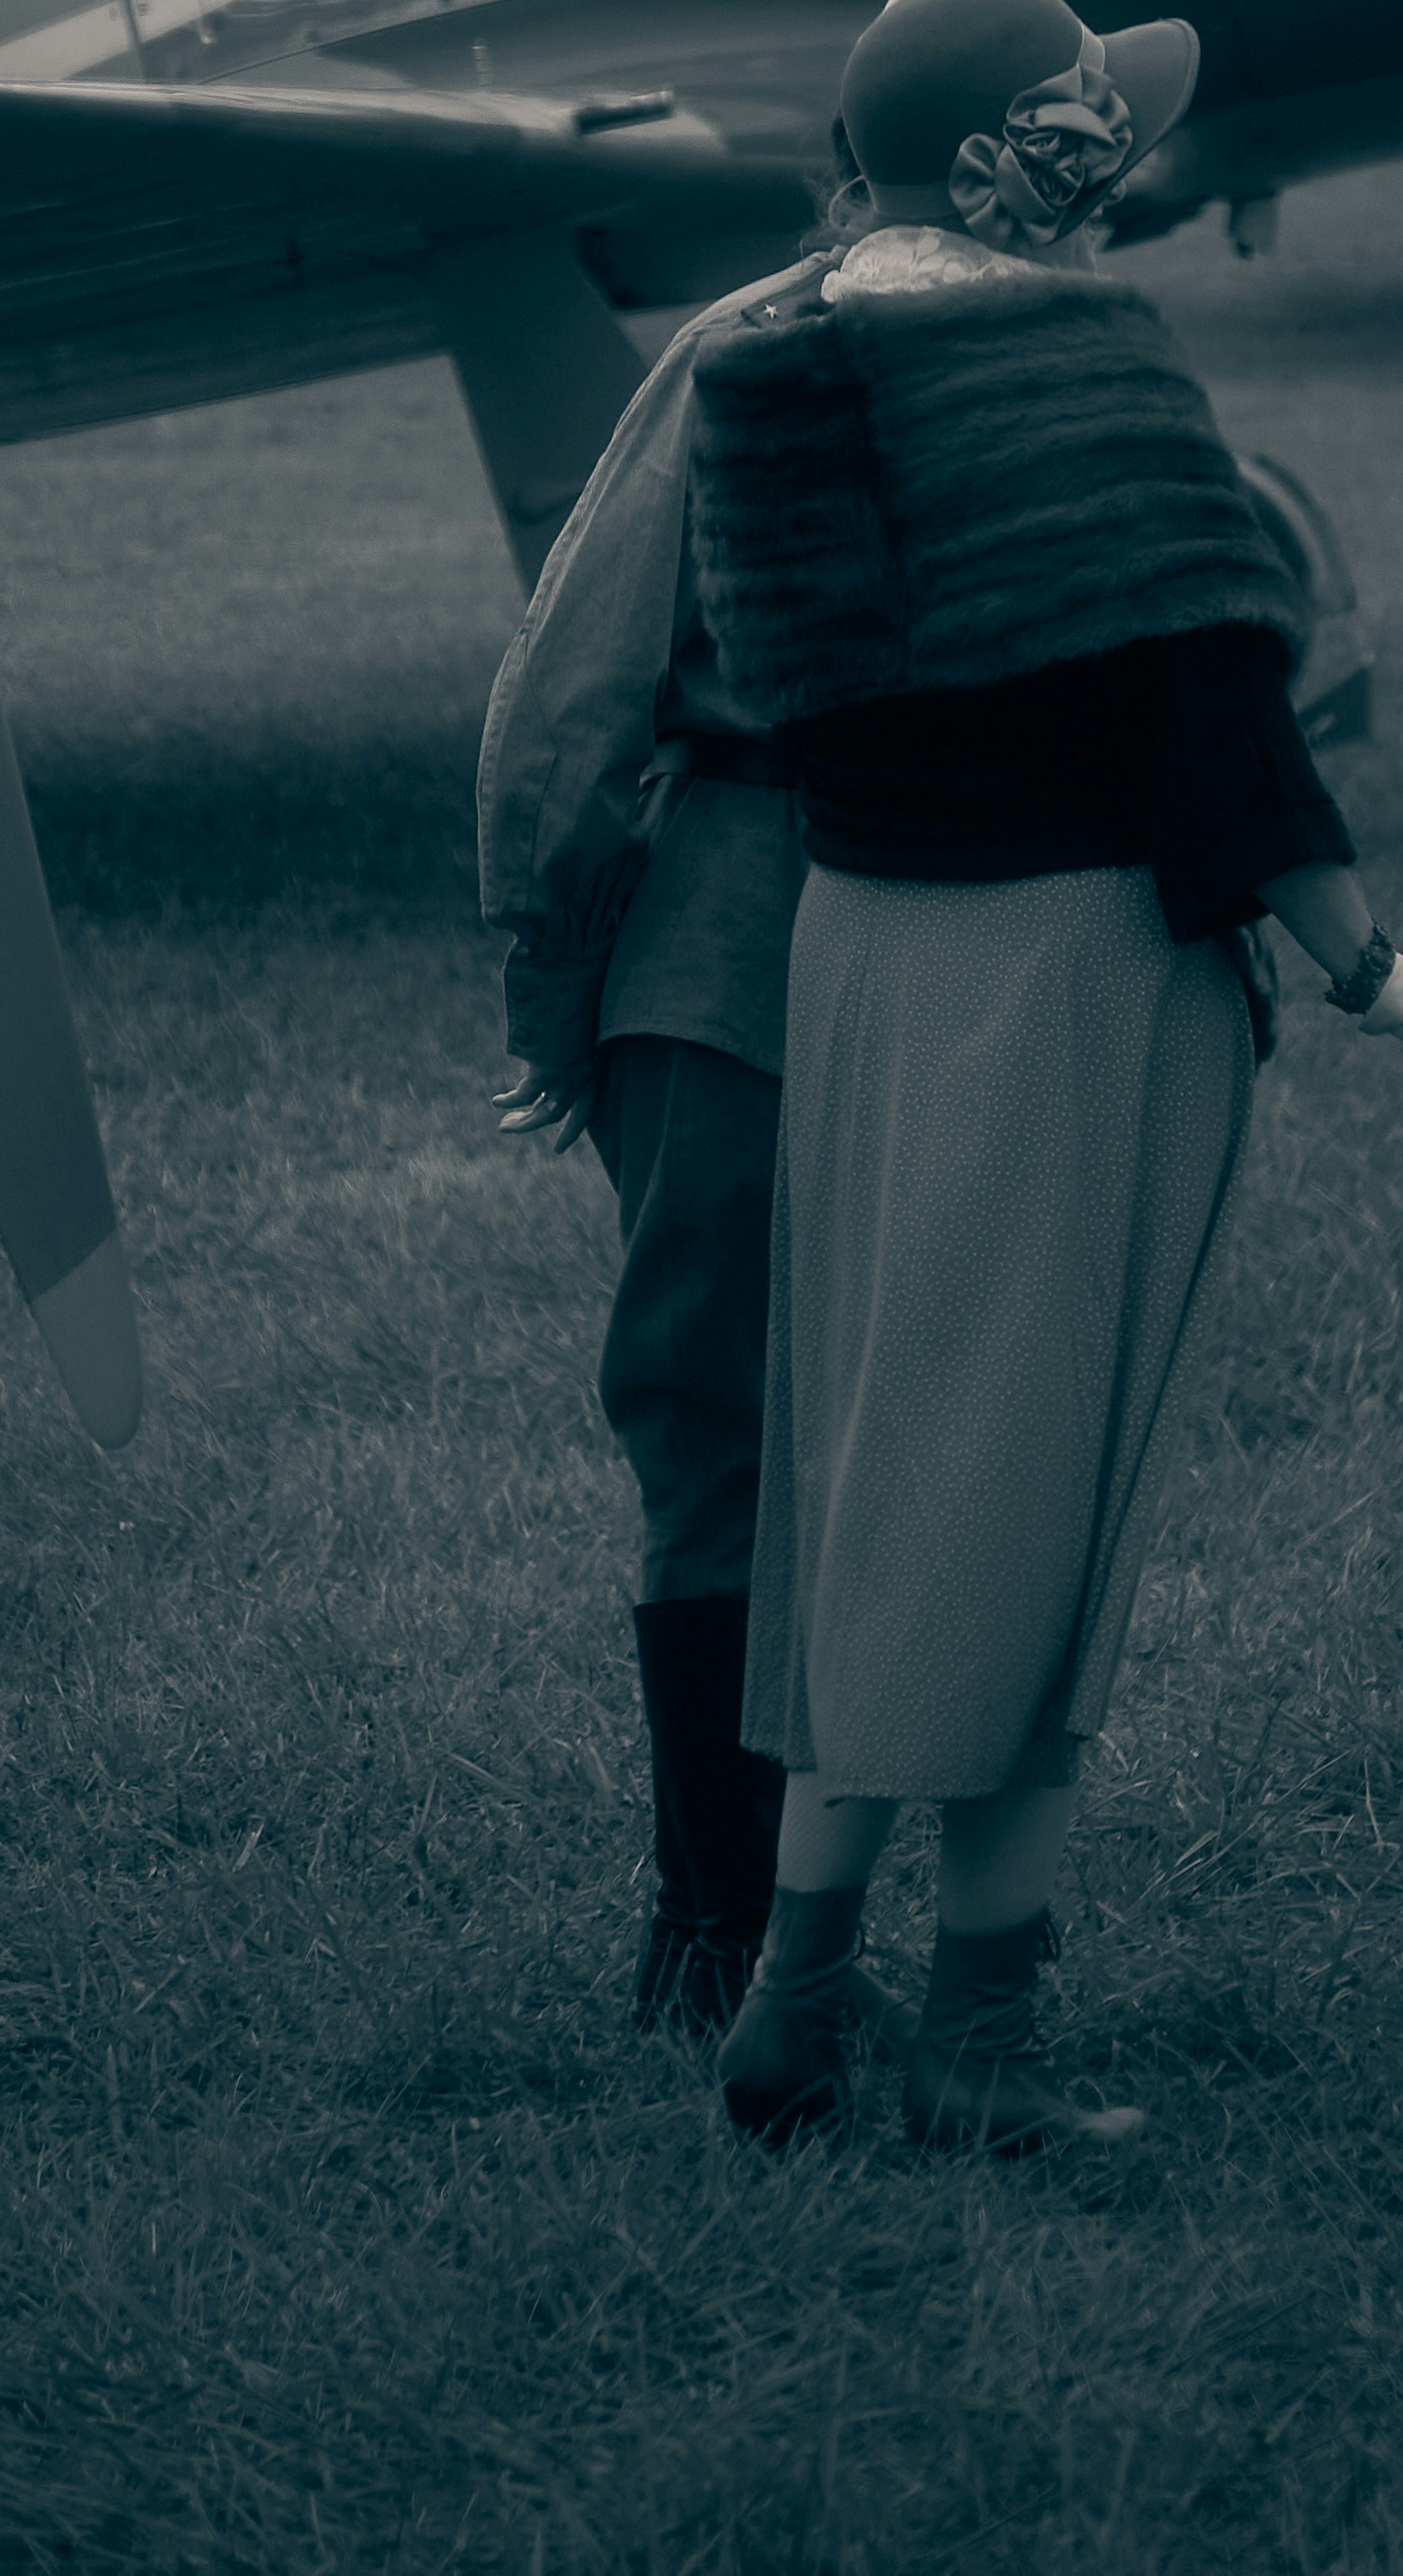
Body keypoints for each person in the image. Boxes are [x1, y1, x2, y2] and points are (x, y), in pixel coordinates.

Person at [682, 0, 1403, 2157]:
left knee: (877, 1482)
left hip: (859, 957)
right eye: (1081, 114)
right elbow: (1210, 734)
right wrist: (1396, 985)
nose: (1116, 146)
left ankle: (793, 2007)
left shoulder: (768, 362)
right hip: (1062, 986)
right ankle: (972, 2052)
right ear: (1002, 155)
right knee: (1024, 1519)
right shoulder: (1083, 363)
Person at [477, 267, 816, 2024]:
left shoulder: (757, 340)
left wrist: (549, 982)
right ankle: (732, 1933)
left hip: (758, 957)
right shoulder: (1016, 339)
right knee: (775, 1452)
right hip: (859, 956)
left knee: (734, 1451)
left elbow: (573, 692)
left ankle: (729, 1939)